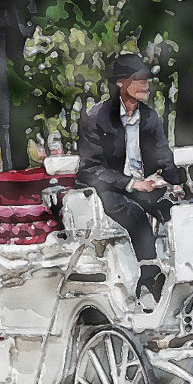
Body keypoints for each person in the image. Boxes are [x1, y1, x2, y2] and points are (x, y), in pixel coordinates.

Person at [77, 52, 181, 306]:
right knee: (134, 214)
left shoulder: (150, 118)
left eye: (146, 80)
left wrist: (172, 182)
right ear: (120, 83)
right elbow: (90, 169)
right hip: (109, 188)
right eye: (138, 80)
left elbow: (164, 157)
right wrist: (131, 183)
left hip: (144, 185)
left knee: (177, 212)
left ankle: (182, 275)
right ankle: (149, 275)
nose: (145, 85)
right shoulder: (96, 117)